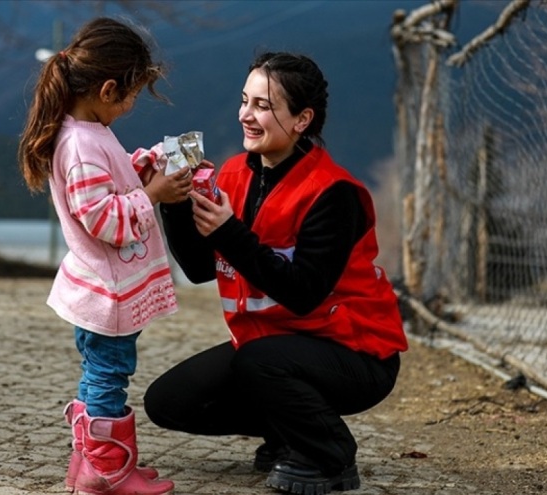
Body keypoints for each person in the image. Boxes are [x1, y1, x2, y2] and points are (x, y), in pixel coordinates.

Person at [144, 51, 408, 494]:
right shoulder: (232, 174)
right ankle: (291, 434)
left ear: (302, 119)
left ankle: (330, 456)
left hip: (356, 355)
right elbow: (199, 268)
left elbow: (303, 293)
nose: (246, 115)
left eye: (263, 106)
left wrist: (229, 233)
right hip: (270, 347)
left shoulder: (334, 193)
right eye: (244, 101)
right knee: (168, 403)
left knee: (259, 360)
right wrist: (173, 204)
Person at [18, 17, 192, 495]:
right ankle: (108, 472)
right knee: (109, 378)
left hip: (101, 288)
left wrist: (141, 169)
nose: (130, 106)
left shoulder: (87, 132)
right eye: (131, 95)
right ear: (108, 89)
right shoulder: (81, 144)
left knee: (99, 376)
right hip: (107, 293)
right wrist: (153, 194)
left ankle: (91, 464)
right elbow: (103, 219)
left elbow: (103, 188)